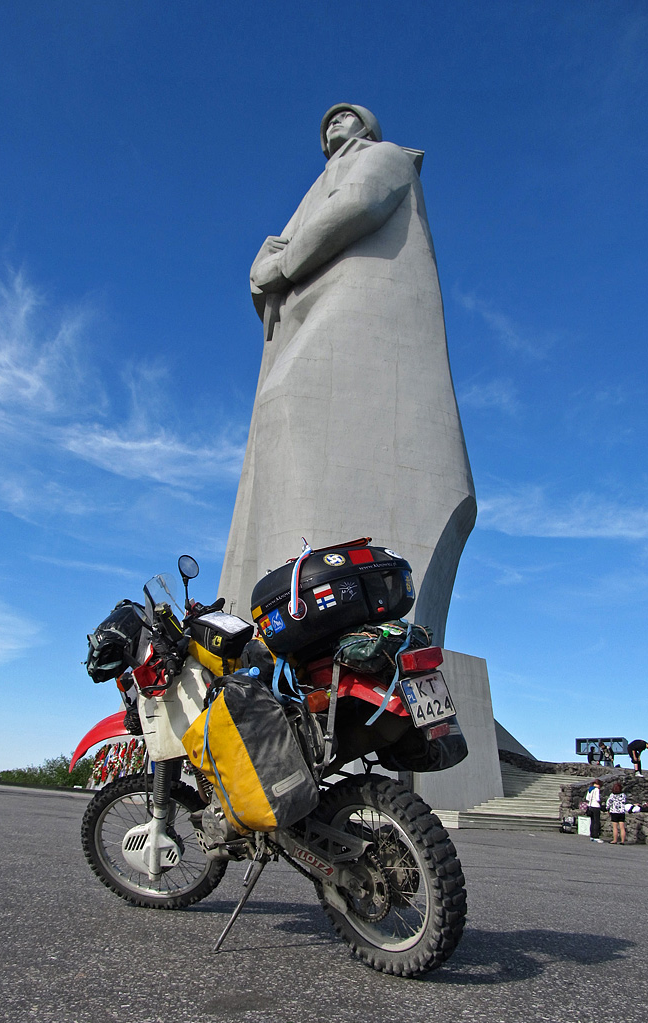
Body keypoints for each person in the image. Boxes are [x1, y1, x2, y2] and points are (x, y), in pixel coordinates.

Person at [219, 104, 476, 641]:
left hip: (363, 300)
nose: (333, 122)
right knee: (280, 409)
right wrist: (266, 269)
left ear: (368, 127)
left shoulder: (385, 157)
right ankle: (279, 614)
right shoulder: (314, 188)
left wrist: (280, 264)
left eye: (346, 116)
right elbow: (274, 256)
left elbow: (358, 205)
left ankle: (330, 606)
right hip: (314, 301)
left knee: (291, 394)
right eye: (327, 121)